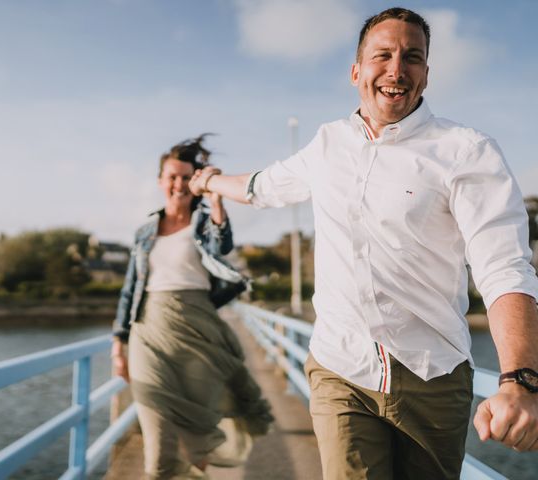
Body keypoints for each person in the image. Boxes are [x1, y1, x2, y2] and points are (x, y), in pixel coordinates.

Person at [189, 7, 538, 480]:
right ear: (357, 71)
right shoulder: (327, 143)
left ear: (427, 75)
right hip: (340, 366)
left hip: (432, 377)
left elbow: (504, 268)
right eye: (383, 55)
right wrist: (209, 181)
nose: (397, 70)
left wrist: (520, 379)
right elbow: (262, 186)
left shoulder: (465, 151)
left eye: (412, 57)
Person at [112, 134, 273, 480]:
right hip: (148, 332)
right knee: (156, 428)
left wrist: (215, 200)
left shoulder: (203, 222)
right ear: (160, 182)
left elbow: (221, 243)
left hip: (197, 331)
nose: (179, 184)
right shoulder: (144, 232)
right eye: (172, 177)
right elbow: (129, 290)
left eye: (187, 177)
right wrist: (118, 345)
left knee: (198, 430)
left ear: (195, 181)